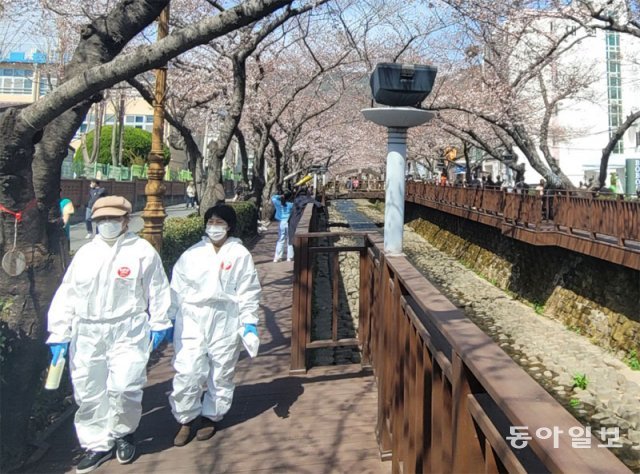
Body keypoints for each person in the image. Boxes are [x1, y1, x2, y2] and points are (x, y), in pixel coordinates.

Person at [46, 196, 173, 473]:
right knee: (89, 390)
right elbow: (68, 293)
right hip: (88, 330)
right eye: (102, 219)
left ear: (126, 220)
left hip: (128, 328)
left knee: (125, 386)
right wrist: (59, 332)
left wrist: (161, 320)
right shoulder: (85, 254)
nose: (107, 224)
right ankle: (97, 444)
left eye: (113, 219)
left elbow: (158, 287)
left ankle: (124, 433)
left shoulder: (141, 251)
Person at [169, 204, 261, 446]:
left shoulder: (239, 254)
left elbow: (248, 290)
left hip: (225, 317)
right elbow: (176, 288)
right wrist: (169, 316)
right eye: (211, 222)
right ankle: (185, 418)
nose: (214, 227)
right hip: (191, 317)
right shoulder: (191, 254)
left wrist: (249, 321)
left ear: (229, 226)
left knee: (221, 369)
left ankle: (211, 415)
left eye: (220, 223)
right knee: (188, 369)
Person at [271, 191, 294, 263]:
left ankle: (277, 257)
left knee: (280, 240)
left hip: (281, 223)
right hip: (289, 223)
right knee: (290, 240)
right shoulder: (291, 205)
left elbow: (273, 197)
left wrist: (280, 196)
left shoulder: (278, 203)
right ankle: (289, 257)